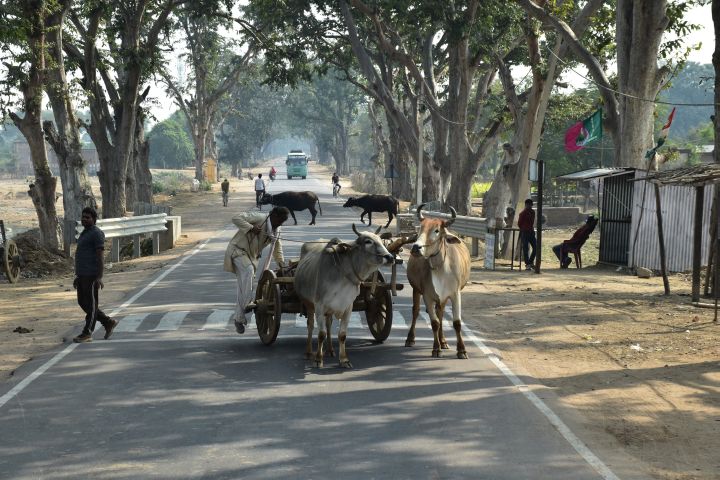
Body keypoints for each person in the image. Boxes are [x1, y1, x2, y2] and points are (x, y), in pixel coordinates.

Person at [224, 206, 290, 334]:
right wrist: (250, 227)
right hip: (238, 251)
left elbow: (277, 248)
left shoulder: (276, 230)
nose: (280, 224)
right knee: (248, 271)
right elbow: (236, 218)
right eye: (280, 221)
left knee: (243, 286)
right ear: (274, 216)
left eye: (283, 222)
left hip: (251, 256)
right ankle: (248, 302)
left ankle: (239, 318)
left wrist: (282, 265)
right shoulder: (260, 218)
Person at [72, 207, 118, 343]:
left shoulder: (96, 233)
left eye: (88, 217)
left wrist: (99, 277)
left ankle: (87, 332)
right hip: (82, 275)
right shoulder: (84, 233)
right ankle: (108, 322)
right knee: (83, 303)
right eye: (83, 217)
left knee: (91, 306)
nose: (84, 219)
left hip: (91, 275)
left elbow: (100, 256)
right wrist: (77, 276)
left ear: (94, 219)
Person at [517, 199, 536, 271]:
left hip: (531, 232)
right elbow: (519, 224)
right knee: (525, 248)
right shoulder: (522, 213)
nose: (530, 206)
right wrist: (523, 229)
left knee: (535, 248)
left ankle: (530, 262)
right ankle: (527, 264)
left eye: (531, 205)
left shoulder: (532, 212)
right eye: (528, 205)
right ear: (526, 205)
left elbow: (532, 222)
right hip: (525, 232)